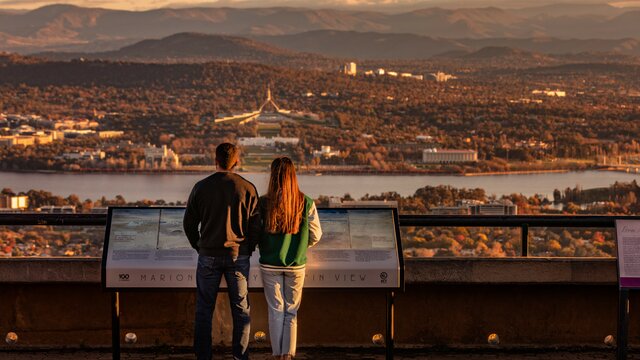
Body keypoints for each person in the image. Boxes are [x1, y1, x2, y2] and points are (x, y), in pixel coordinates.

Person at [183, 143, 260, 360]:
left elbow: (189, 224)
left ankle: (203, 356)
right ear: (237, 162)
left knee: (204, 309)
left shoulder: (200, 187)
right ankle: (240, 356)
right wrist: (248, 247)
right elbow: (255, 227)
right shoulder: (248, 188)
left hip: (207, 255)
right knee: (241, 310)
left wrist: (199, 246)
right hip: (238, 256)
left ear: (215, 160)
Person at [258, 157, 322, 360]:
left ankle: (276, 355)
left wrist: (265, 245)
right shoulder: (306, 202)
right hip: (296, 265)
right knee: (291, 312)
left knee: (275, 310)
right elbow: (316, 235)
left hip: (269, 263)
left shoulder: (263, 202)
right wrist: (302, 246)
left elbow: (255, 232)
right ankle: (288, 355)